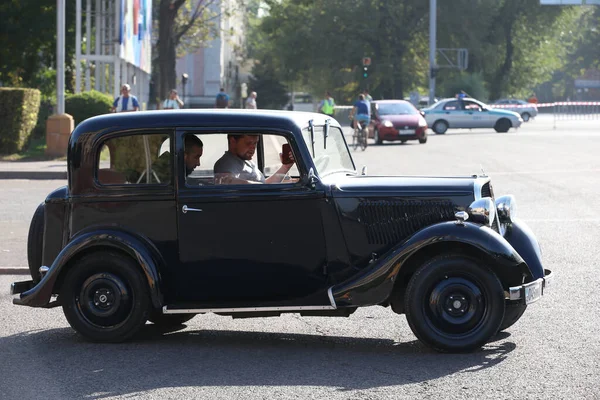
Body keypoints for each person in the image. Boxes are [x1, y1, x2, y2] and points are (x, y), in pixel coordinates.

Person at [214, 134, 295, 184]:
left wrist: (285, 167)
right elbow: (227, 182)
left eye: (255, 143)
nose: (253, 148)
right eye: (248, 143)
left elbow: (264, 185)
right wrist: (261, 187)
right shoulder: (225, 164)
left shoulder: (246, 161)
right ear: (233, 141)